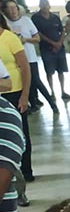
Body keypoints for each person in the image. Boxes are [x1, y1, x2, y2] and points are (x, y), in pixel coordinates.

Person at [3, 0, 58, 115]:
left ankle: (52, 103)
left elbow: (37, 38)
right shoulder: (5, 23)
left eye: (14, 7)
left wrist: (25, 40)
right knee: (24, 83)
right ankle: (32, 105)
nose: (13, 11)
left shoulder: (26, 21)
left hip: (29, 57)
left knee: (35, 81)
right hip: (14, 61)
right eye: (9, 8)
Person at [0, 15, 31, 183]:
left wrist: (25, 96)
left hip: (14, 93)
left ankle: (25, 173)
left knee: (20, 135)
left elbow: (25, 67)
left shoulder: (9, 38)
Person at [32, 0, 70, 101]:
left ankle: (63, 91)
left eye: (47, 4)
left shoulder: (55, 17)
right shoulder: (35, 18)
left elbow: (62, 31)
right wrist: (52, 43)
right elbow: (38, 33)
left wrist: (59, 43)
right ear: (39, 5)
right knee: (49, 71)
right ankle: (52, 92)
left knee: (61, 71)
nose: (45, 6)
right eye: (42, 4)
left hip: (59, 48)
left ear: (50, 5)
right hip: (46, 49)